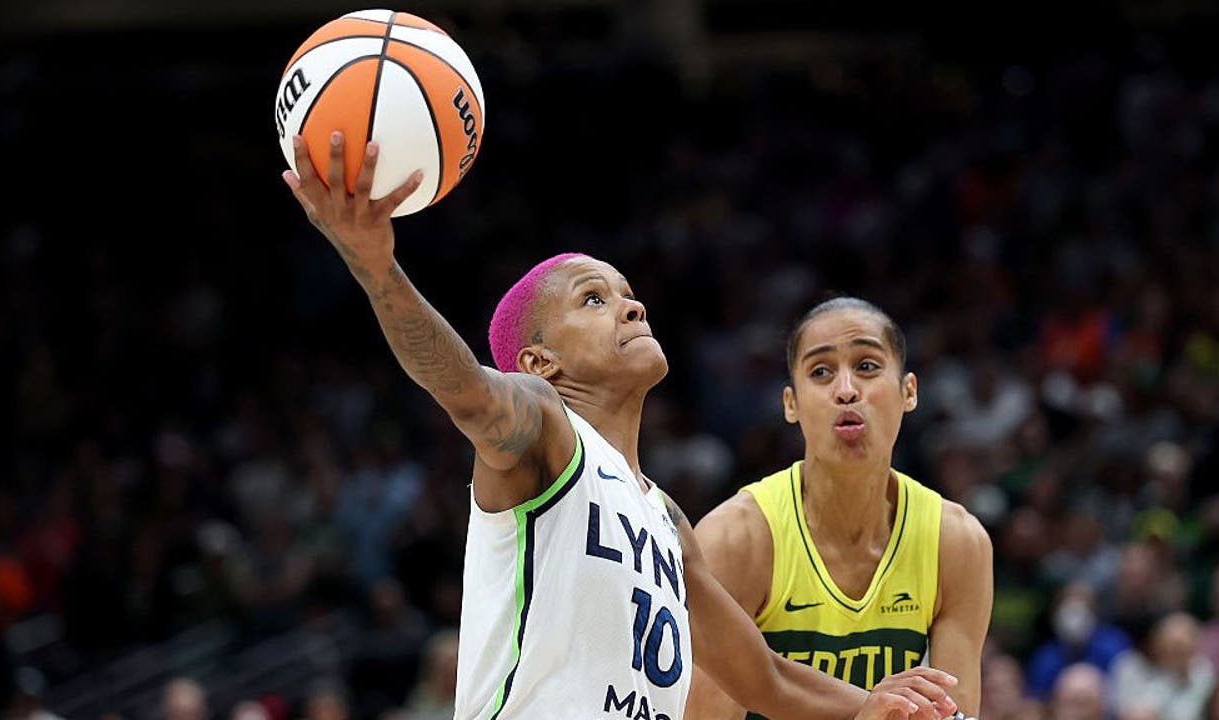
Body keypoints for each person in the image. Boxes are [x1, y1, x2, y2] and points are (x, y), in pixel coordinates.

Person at [281, 134, 961, 720]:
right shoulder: (545, 428)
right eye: (594, 299)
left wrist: (871, 703)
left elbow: (764, 677)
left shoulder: (666, 519)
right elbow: (466, 392)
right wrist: (378, 269)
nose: (631, 308)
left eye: (628, 295)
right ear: (539, 362)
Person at [683, 297, 994, 719]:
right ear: (791, 404)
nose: (846, 389)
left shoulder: (956, 541)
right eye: (821, 372)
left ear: (908, 391)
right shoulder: (735, 539)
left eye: (866, 366)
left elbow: (956, 713)